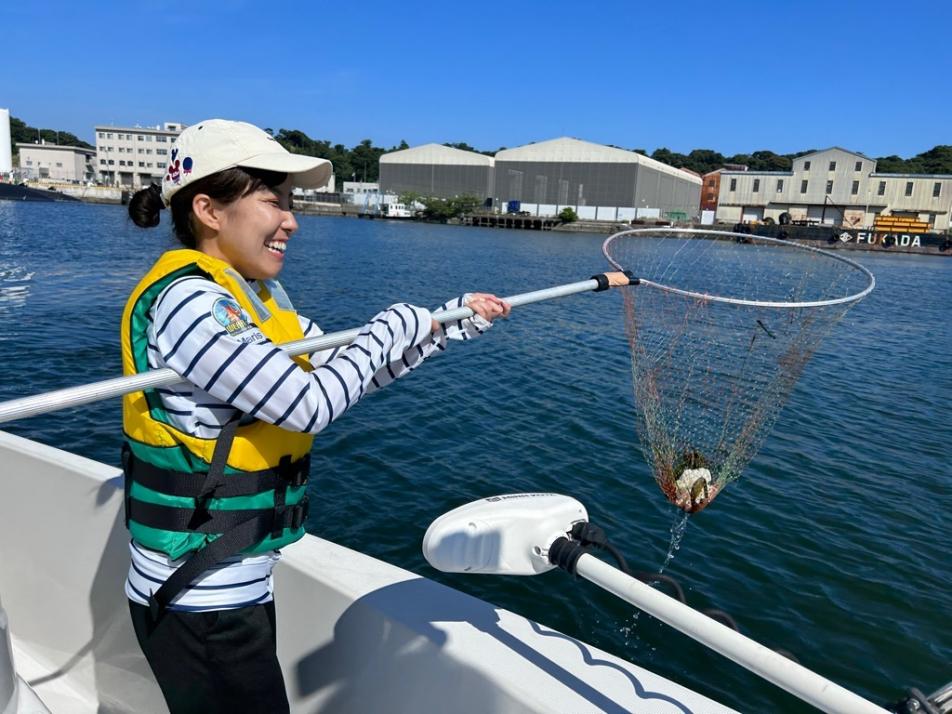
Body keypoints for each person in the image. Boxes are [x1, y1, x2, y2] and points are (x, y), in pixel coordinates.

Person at [121, 119, 510, 713]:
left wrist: (445, 324)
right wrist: (389, 327)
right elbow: (309, 407)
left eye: (291, 204)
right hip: (197, 599)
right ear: (208, 209)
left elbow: (348, 372)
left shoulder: (253, 296)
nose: (291, 221)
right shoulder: (191, 303)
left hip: (233, 586)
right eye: (273, 202)